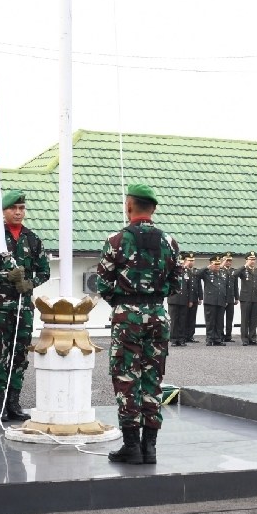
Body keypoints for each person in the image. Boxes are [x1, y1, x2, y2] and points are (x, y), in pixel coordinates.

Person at [96, 183, 182, 465]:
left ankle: (131, 446)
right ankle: (150, 447)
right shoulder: (170, 242)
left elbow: (102, 283)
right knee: (152, 379)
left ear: (129, 206)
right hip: (158, 315)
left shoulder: (116, 240)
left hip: (127, 317)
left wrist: (124, 302)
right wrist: (153, 299)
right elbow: (176, 284)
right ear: (153, 209)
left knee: (126, 377)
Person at [0, 190, 51, 422]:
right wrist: (5, 275)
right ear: (4, 211)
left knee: (19, 356)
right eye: (13, 208)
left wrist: (30, 283)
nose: (18, 212)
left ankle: (14, 403)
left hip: (23, 308)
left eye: (21, 208)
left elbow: (44, 271)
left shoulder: (32, 239)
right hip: (0, 308)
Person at [233, 251, 257, 345]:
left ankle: (253, 338)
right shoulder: (243, 270)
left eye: (254, 259)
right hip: (245, 298)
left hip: (256, 298)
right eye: (251, 259)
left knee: (253, 320)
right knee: (245, 319)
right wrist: (244, 266)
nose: (253, 261)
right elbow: (234, 275)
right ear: (246, 260)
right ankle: (245, 339)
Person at [167, 252, 199, 346]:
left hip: (184, 299)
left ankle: (181, 339)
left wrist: (190, 300)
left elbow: (190, 288)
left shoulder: (187, 272)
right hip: (174, 299)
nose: (181, 263)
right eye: (179, 262)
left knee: (182, 320)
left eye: (182, 262)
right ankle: (173, 339)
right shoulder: (172, 271)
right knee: (174, 320)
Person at [198, 255, 228, 345]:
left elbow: (225, 287)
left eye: (219, 264)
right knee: (210, 321)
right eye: (216, 264)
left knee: (219, 321)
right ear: (211, 264)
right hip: (210, 301)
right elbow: (197, 274)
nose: (218, 266)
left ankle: (218, 339)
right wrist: (207, 267)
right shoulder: (206, 273)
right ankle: (210, 339)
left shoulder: (222, 273)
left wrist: (226, 299)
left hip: (221, 300)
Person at [221, 251, 237, 342]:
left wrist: (237, 297)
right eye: (226, 260)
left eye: (230, 260)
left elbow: (235, 285)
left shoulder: (233, 271)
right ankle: (220, 335)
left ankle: (228, 336)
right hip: (222, 297)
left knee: (229, 318)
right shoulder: (220, 270)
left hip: (230, 297)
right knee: (220, 318)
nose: (228, 262)